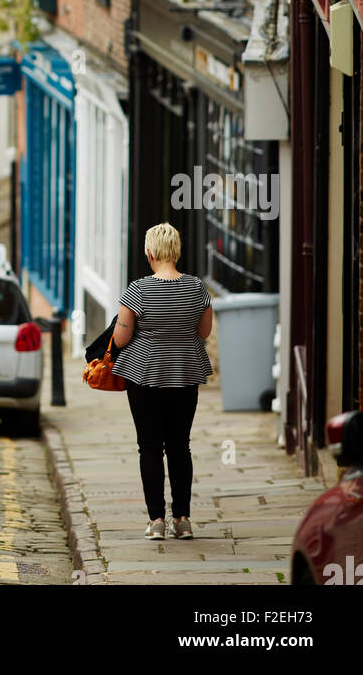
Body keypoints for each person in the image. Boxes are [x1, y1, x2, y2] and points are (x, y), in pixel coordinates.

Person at [112, 223, 212, 541]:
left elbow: (121, 337)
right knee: (180, 446)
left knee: (150, 448)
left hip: (145, 378)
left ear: (150, 253)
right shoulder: (197, 289)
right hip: (185, 375)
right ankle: (182, 519)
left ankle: (156, 520)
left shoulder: (138, 290)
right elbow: (203, 332)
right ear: (177, 252)